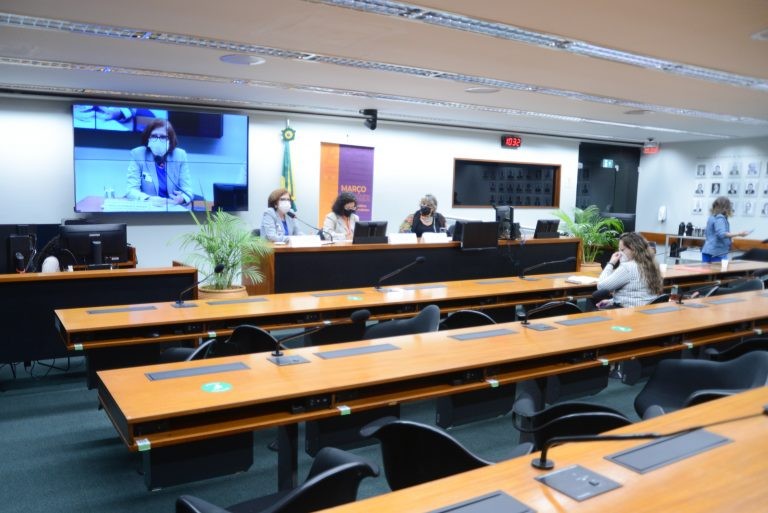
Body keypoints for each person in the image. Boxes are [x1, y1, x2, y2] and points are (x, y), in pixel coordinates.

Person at [126, 119, 193, 205]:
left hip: (172, 207)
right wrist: (149, 199)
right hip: (148, 208)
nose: (158, 140)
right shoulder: (138, 154)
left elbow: (188, 190)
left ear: (170, 139)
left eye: (163, 137)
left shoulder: (180, 155)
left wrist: (181, 199)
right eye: (154, 136)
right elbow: (131, 190)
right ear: (148, 138)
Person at [595, 232, 663, 309]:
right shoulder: (651, 264)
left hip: (628, 312)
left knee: (592, 304)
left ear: (633, 249)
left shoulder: (627, 267)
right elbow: (638, 295)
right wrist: (611, 301)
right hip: (645, 310)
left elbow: (601, 286)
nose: (620, 254)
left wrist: (611, 263)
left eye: (622, 250)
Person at [701, 196, 749, 263]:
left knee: (705, 270)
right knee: (718, 270)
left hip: (707, 250)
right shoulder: (720, 218)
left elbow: (711, 233)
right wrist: (739, 234)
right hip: (717, 253)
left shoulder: (712, 217)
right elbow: (722, 234)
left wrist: (729, 241)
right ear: (726, 207)